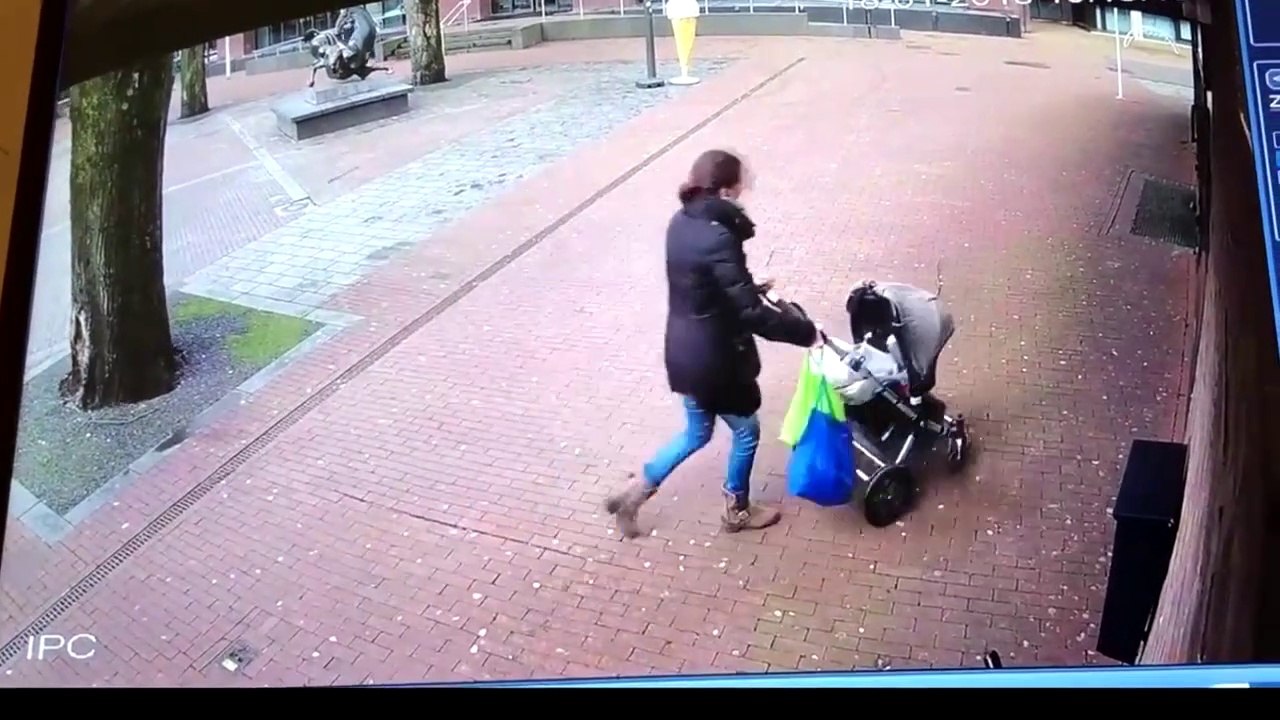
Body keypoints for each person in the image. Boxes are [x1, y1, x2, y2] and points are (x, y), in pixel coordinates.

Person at [605, 149, 820, 538]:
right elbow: (750, 314)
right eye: (739, 187)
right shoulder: (719, 236)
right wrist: (806, 333)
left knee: (696, 432)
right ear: (724, 191)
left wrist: (747, 287)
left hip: (685, 351)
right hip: (714, 361)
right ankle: (737, 510)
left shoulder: (682, 222)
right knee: (747, 431)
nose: (743, 194)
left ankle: (633, 494)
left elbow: (702, 283)